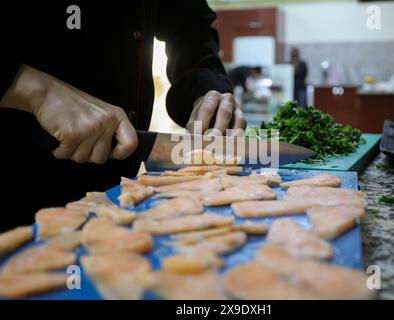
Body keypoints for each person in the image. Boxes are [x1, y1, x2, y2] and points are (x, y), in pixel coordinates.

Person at [0, 1, 246, 231]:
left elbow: (190, 27)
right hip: (17, 179)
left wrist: (206, 89)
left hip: (116, 186)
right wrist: (33, 90)